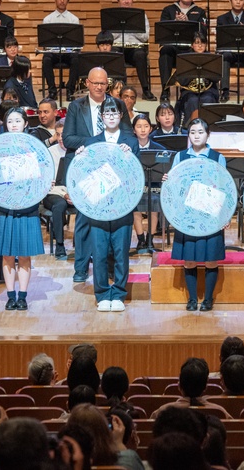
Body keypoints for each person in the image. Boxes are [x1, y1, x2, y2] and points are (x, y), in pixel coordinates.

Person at [61, 67, 131, 283]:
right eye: (96, 83)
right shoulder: (75, 106)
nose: (100, 87)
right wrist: (96, 145)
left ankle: (110, 267)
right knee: (84, 220)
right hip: (86, 170)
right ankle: (81, 268)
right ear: (87, 84)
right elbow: (68, 139)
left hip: (112, 171)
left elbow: (127, 135)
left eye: (103, 83)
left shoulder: (117, 105)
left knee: (111, 219)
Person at [75, 98, 139, 311]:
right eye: (107, 114)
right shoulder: (92, 142)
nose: (111, 117)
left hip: (123, 206)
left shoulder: (131, 142)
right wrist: (79, 158)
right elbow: (84, 174)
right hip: (98, 207)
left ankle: (119, 293)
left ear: (121, 116)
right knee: (100, 252)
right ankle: (102, 293)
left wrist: (129, 158)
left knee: (121, 252)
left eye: (115, 113)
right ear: (102, 117)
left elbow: (135, 177)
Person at [0, 106, 46, 310]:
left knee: (25, 254)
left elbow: (42, 174)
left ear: (26, 124)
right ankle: (10, 296)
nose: (13, 124)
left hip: (27, 206)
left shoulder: (34, 147)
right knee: (7, 254)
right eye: (10, 121)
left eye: (17, 121)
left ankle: (23, 296)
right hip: (3, 205)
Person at [163, 119, 226, 311]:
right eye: (192, 132)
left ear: (208, 135)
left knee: (210, 259)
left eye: (200, 132)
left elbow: (224, 188)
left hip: (210, 215)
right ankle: (191, 299)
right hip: (187, 216)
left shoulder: (217, 157)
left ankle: (208, 299)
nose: (196, 135)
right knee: (189, 260)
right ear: (188, 135)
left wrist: (224, 216)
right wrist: (168, 180)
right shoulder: (180, 157)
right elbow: (175, 187)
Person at [158, 0, 208, 102]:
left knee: (199, 51)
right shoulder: (168, 10)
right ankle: (165, 89)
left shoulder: (199, 12)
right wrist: (175, 22)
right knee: (165, 50)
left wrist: (189, 22)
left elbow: (204, 32)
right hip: (173, 48)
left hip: (189, 48)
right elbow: (162, 30)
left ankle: (188, 90)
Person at [111, 0, 154, 101]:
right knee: (114, 53)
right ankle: (120, 89)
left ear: (133, 0)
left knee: (140, 55)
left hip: (135, 48)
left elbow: (145, 37)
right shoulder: (113, 16)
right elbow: (110, 37)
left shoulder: (141, 15)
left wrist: (131, 27)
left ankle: (146, 89)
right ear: (118, 1)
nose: (126, 1)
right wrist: (122, 26)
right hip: (118, 47)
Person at [132, 113, 166, 255]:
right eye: (139, 126)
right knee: (135, 207)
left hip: (155, 185)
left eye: (146, 126)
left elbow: (164, 168)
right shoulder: (130, 147)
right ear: (134, 130)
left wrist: (164, 175)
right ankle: (140, 239)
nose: (143, 129)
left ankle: (150, 239)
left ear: (151, 128)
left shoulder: (159, 148)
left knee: (154, 204)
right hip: (136, 187)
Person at [39, 0, 79, 99]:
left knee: (76, 59)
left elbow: (76, 42)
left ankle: (70, 90)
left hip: (68, 51)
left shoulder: (74, 19)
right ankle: (52, 91)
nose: (62, 0)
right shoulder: (48, 19)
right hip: (54, 51)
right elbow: (45, 43)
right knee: (46, 59)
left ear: (68, 0)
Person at [172, 32, 218, 126]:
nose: (200, 46)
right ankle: (190, 127)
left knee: (208, 99)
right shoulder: (185, 59)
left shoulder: (212, 58)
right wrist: (194, 71)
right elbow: (182, 81)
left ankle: (208, 127)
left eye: (203, 43)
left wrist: (204, 71)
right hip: (190, 91)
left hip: (208, 90)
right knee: (192, 101)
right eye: (197, 43)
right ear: (192, 45)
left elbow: (216, 78)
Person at [44, 118, 70, 260]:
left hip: (73, 193)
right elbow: (50, 183)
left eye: (63, 135)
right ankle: (60, 244)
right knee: (59, 205)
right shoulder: (50, 152)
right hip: (53, 193)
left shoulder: (77, 151)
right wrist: (65, 194)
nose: (60, 139)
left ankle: (82, 245)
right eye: (58, 134)